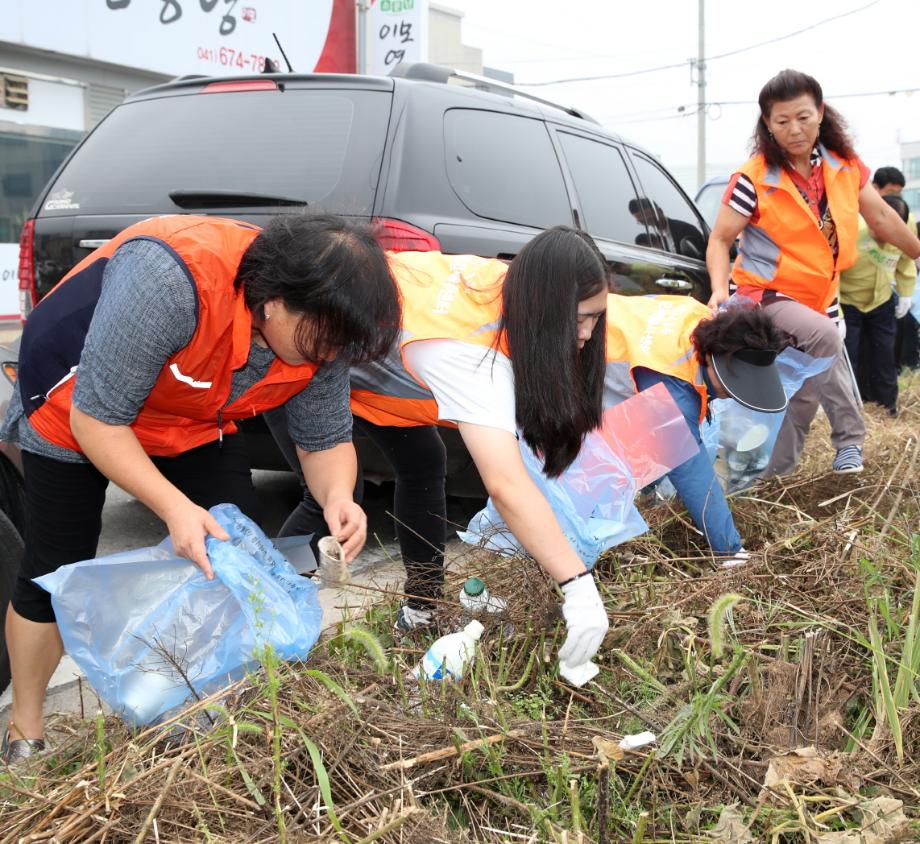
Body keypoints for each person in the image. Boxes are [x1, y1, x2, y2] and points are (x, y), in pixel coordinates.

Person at [0, 213, 401, 763]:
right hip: (74, 406)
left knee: (230, 551)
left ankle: (190, 704)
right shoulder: (172, 278)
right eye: (324, 341)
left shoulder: (323, 332)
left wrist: (338, 497)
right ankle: (26, 728)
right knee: (54, 564)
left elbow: (325, 439)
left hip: (187, 417)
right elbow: (98, 421)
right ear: (276, 300)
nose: (330, 356)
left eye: (341, 346)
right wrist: (173, 507)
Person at [277, 230, 787, 638]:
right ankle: (273, 611)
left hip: (385, 373)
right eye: (583, 320)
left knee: (423, 464)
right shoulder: (474, 354)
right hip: (312, 357)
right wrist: (578, 584)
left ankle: (422, 610)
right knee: (327, 499)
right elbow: (507, 482)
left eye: (596, 317)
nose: (588, 335)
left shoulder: (679, 319)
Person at [707, 69, 920, 477]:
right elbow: (719, 240)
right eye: (782, 121)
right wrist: (719, 290)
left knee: (815, 376)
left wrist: (918, 253)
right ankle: (816, 454)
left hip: (821, 297)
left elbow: (880, 217)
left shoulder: (844, 168)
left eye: (803, 117)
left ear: (820, 113)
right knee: (824, 339)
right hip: (764, 296)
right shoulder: (753, 179)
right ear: (767, 124)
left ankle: (811, 460)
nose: (794, 129)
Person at [839, 194, 917, 416]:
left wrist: (905, 293)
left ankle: (887, 406)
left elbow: (906, 260)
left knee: (885, 354)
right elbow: (831, 271)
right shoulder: (851, 228)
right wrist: (835, 311)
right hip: (847, 301)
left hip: (881, 300)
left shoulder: (904, 228)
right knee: (848, 358)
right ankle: (849, 410)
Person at [628, 197, 706, 258]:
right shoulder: (652, 239)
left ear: (659, 211)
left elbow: (699, 258)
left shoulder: (685, 229)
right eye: (642, 222)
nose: (647, 223)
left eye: (648, 218)